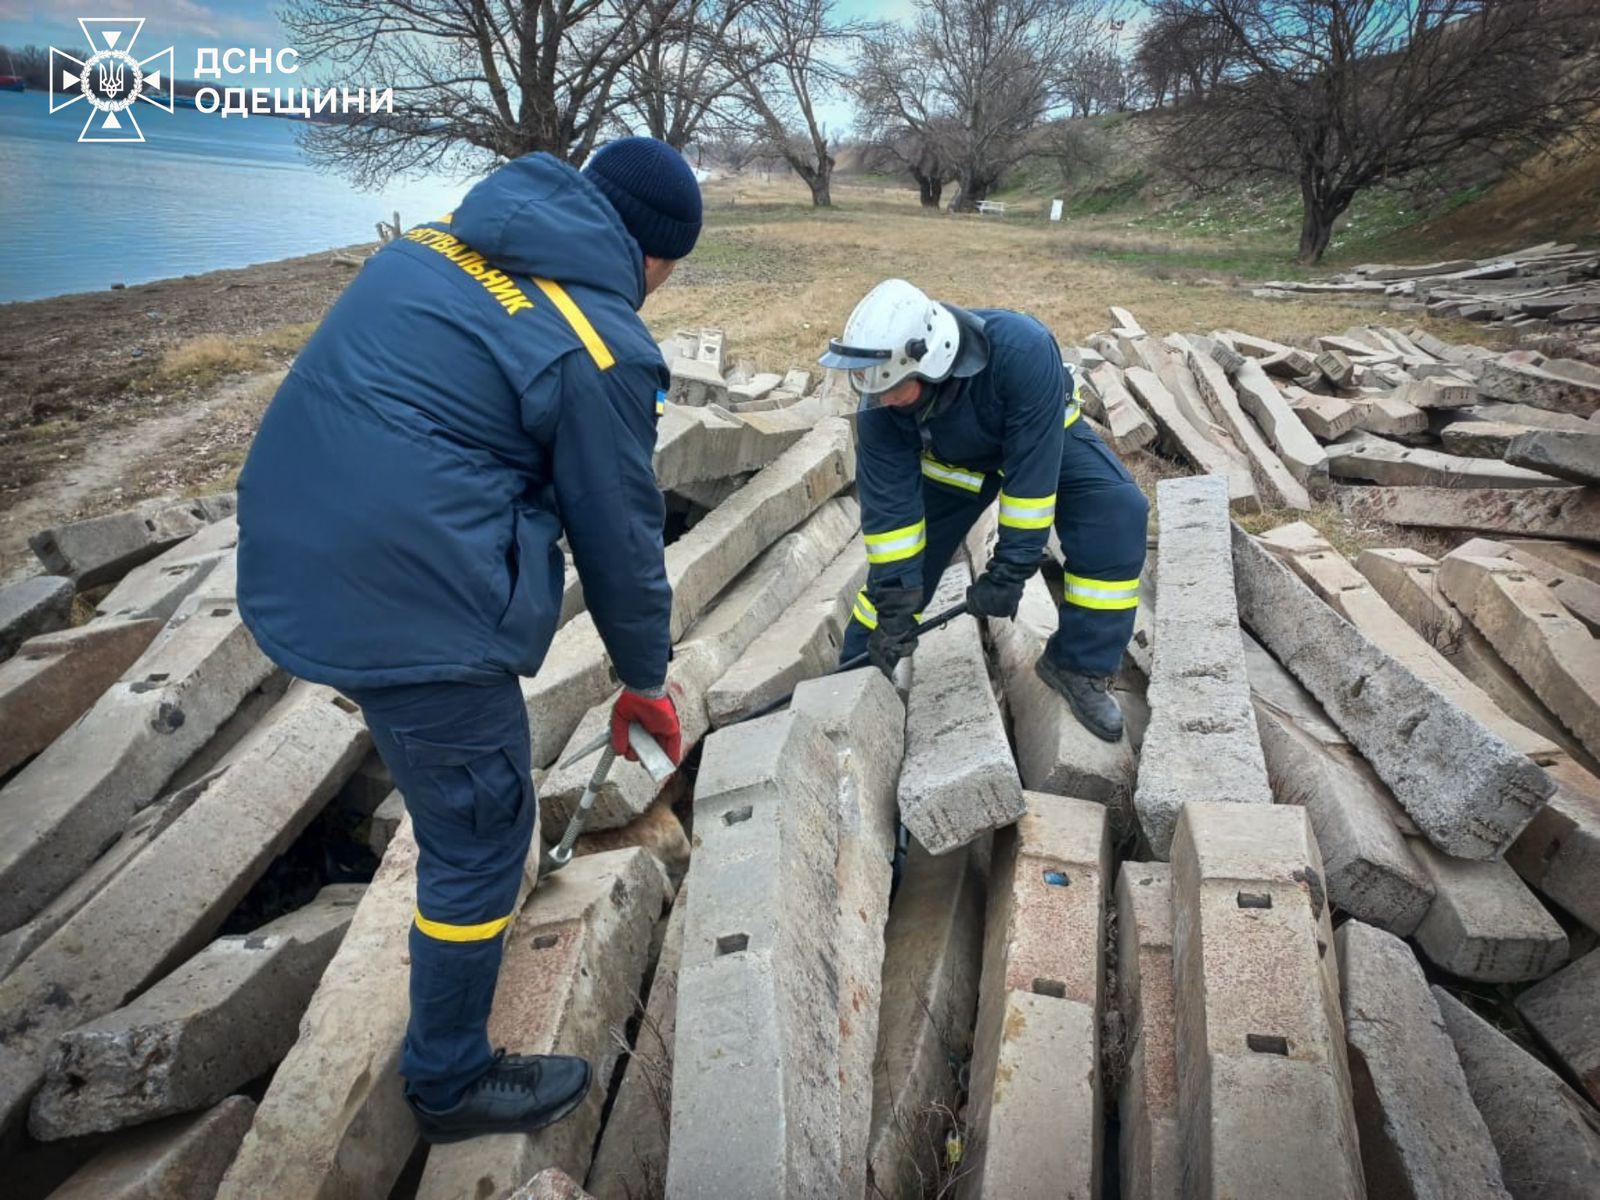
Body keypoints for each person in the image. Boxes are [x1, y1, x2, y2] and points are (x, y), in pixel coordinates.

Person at [236, 136, 700, 1143]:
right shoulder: (599, 342)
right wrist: (644, 679)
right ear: (657, 258)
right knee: (485, 834)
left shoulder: (430, 249)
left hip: (286, 550)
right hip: (403, 598)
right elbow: (620, 541)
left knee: (459, 785)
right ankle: (449, 1081)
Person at [820, 278, 1148, 741]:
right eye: (873, 388)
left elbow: (1031, 477)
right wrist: (897, 599)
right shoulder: (881, 402)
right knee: (892, 586)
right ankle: (858, 671)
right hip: (951, 462)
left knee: (1117, 511)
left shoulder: (1022, 349)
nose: (883, 398)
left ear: (932, 362)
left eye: (895, 387)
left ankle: (1078, 664)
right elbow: (891, 512)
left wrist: (1010, 571)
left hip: (1040, 437)